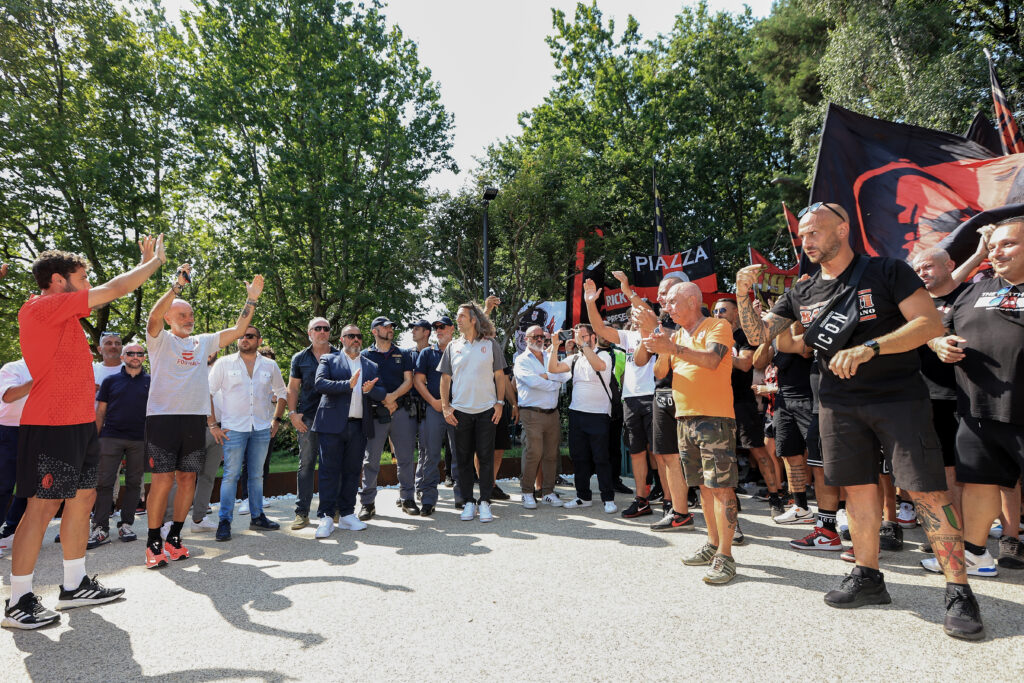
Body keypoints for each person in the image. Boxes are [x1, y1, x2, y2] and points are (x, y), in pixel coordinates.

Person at [735, 202, 982, 640]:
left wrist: (870, 348)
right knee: (857, 490)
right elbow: (761, 338)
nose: (806, 241)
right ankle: (868, 576)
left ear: (843, 229)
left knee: (927, 489)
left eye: (814, 232)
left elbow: (926, 324)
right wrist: (742, 294)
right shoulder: (802, 289)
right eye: (802, 236)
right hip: (836, 403)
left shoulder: (887, 271)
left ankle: (959, 590)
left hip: (898, 399)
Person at [4, 237, 165, 629]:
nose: (88, 282)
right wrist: (152, 264)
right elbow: (114, 289)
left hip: (78, 424)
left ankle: (74, 586)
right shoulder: (42, 307)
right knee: (41, 507)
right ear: (58, 281)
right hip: (50, 425)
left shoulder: (63, 316)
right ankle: (17, 600)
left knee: (83, 497)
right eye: (82, 276)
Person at [143, 263, 264, 570]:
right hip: (163, 418)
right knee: (162, 481)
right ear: (170, 317)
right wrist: (176, 288)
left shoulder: (203, 341)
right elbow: (153, 317)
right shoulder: (160, 339)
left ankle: (175, 538)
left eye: (191, 314)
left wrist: (251, 300)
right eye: (182, 314)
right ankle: (153, 542)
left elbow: (238, 331)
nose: (189, 318)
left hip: (193, 420)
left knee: (187, 479)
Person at [929, 218, 1024, 572]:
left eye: (1008, 244)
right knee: (980, 483)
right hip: (978, 409)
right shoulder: (974, 290)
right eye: (993, 245)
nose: (997, 251)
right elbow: (935, 326)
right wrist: (938, 343)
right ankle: (974, 552)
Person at [646, 282, 740, 585]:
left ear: (691, 300)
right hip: (684, 418)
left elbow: (712, 360)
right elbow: (660, 373)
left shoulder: (718, 325)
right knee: (703, 487)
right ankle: (712, 545)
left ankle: (725, 556)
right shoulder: (679, 335)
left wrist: (672, 347)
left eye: (673, 302)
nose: (667, 307)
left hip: (715, 418)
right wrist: (660, 347)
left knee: (722, 487)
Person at [911, 242, 988, 540]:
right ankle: (951, 534)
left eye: (927, 266)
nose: (922, 273)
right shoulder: (916, 302)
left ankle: (995, 534)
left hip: (969, 394)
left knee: (979, 471)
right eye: (918, 269)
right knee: (942, 469)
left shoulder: (969, 295)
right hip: (927, 396)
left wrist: (980, 255)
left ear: (949, 265)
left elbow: (954, 283)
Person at [583, 275, 655, 517]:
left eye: (638, 312)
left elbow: (647, 314)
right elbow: (600, 329)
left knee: (661, 454)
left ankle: (671, 501)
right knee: (636, 452)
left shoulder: (659, 332)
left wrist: (627, 290)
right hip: (631, 400)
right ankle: (642, 499)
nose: (633, 316)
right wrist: (590, 302)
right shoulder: (629, 337)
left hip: (654, 397)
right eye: (632, 314)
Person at [632, 277, 699, 532]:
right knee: (668, 456)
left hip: (692, 395)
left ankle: (729, 520)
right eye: (660, 294)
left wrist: (655, 329)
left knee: (703, 459)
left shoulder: (699, 319)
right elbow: (645, 363)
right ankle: (679, 513)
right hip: (662, 394)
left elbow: (692, 342)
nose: (662, 298)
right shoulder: (659, 322)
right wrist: (646, 333)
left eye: (667, 294)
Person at [208, 326, 287, 542]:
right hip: (233, 428)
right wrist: (212, 424)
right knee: (231, 475)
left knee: (256, 475)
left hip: (261, 428)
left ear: (259, 341)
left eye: (249, 336)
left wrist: (277, 420)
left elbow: (282, 392)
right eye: (241, 335)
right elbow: (208, 393)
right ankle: (224, 521)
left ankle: (258, 517)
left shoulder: (269, 365)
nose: (244, 338)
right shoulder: (224, 363)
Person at [712, 298, 784, 518]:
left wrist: (715, 355)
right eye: (715, 310)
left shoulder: (743, 337)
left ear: (735, 313)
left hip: (742, 402)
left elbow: (745, 364)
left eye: (722, 310)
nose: (717, 314)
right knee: (725, 455)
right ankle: (731, 498)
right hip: (717, 403)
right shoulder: (712, 336)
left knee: (758, 451)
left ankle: (775, 497)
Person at [311, 325, 385, 537]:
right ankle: (325, 516)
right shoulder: (329, 359)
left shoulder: (370, 365)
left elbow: (382, 392)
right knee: (329, 471)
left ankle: (346, 514)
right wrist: (348, 384)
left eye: (358, 336)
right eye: (351, 336)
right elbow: (320, 383)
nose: (355, 339)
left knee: (353, 472)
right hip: (332, 425)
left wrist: (372, 390)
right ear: (342, 339)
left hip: (358, 425)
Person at [439, 302, 506, 522]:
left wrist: (499, 403)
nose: (457, 320)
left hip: (487, 410)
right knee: (464, 460)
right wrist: (446, 407)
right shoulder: (452, 346)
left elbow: (499, 376)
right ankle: (468, 502)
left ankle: (485, 501)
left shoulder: (490, 344)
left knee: (486, 458)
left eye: (461, 316)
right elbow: (445, 379)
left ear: (473, 319)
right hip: (461, 413)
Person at [547, 323, 617, 514]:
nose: (580, 339)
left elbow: (599, 366)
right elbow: (553, 368)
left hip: (599, 414)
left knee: (601, 458)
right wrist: (554, 345)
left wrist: (583, 345)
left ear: (593, 337)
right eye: (578, 336)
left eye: (584, 336)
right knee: (579, 457)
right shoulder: (575, 358)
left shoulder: (604, 354)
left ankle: (608, 498)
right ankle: (583, 496)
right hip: (577, 413)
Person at [90, 343, 150, 546]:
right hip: (110, 437)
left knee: (134, 483)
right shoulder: (110, 381)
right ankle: (100, 528)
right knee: (104, 483)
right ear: (123, 357)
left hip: (139, 439)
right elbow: (100, 411)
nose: (135, 356)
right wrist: (94, 439)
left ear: (144, 358)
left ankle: (126, 525)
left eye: (139, 353)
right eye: (130, 353)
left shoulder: (152, 381)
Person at [358, 316, 417, 519]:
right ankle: (367, 503)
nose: (390, 329)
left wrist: (392, 398)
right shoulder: (364, 355)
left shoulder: (403, 353)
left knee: (406, 458)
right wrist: (385, 399)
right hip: (375, 412)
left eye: (392, 326)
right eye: (386, 327)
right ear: (375, 331)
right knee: (371, 460)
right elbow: (365, 384)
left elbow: (409, 381)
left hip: (401, 410)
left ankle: (408, 498)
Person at [286, 317, 338, 529]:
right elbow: (293, 388)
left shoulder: (339, 355)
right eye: (318, 328)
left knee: (332, 464)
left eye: (326, 328)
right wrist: (292, 414)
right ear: (310, 333)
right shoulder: (300, 358)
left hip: (334, 417)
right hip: (307, 418)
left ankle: (330, 509)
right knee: (306, 464)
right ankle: (302, 512)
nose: (322, 332)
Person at [514, 325, 569, 509]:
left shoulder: (550, 356)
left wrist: (548, 376)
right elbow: (532, 382)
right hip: (532, 413)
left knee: (551, 454)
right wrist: (553, 381)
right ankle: (527, 492)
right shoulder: (521, 361)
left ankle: (548, 492)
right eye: (535, 336)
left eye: (542, 336)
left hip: (552, 413)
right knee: (533, 453)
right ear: (526, 339)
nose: (539, 339)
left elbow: (565, 375)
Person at [412, 316, 457, 516]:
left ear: (452, 329)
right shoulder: (427, 354)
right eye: (436, 327)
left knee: (460, 454)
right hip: (434, 408)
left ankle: (463, 497)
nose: (438, 330)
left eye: (442, 327)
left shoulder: (462, 350)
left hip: (458, 408)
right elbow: (418, 381)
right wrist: (433, 402)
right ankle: (428, 499)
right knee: (431, 455)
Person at [0, 358, 32, 559]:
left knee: (30, 487)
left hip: (39, 431)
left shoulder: (56, 365)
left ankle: (11, 531)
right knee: (3, 485)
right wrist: (40, 378)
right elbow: (9, 396)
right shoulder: (13, 368)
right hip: (9, 431)